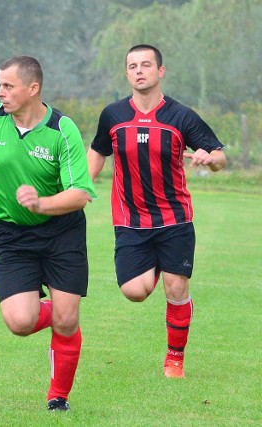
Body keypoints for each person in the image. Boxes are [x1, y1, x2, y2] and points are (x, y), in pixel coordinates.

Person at [0, 56, 96, 412]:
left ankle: (58, 397)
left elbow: (81, 195)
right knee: (20, 322)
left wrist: (42, 203)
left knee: (66, 320)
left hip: (62, 233)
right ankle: (56, 310)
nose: (0, 92)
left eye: (8, 86)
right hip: (10, 235)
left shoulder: (63, 129)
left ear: (33, 89)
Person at [87, 44, 226, 378]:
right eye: (132, 66)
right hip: (130, 220)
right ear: (127, 73)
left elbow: (220, 156)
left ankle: (175, 358)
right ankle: (162, 267)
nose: (139, 70)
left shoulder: (181, 116)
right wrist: (84, 184)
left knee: (176, 289)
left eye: (146, 65)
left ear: (160, 71)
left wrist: (211, 159)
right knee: (134, 291)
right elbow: (98, 151)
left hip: (174, 218)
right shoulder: (113, 115)